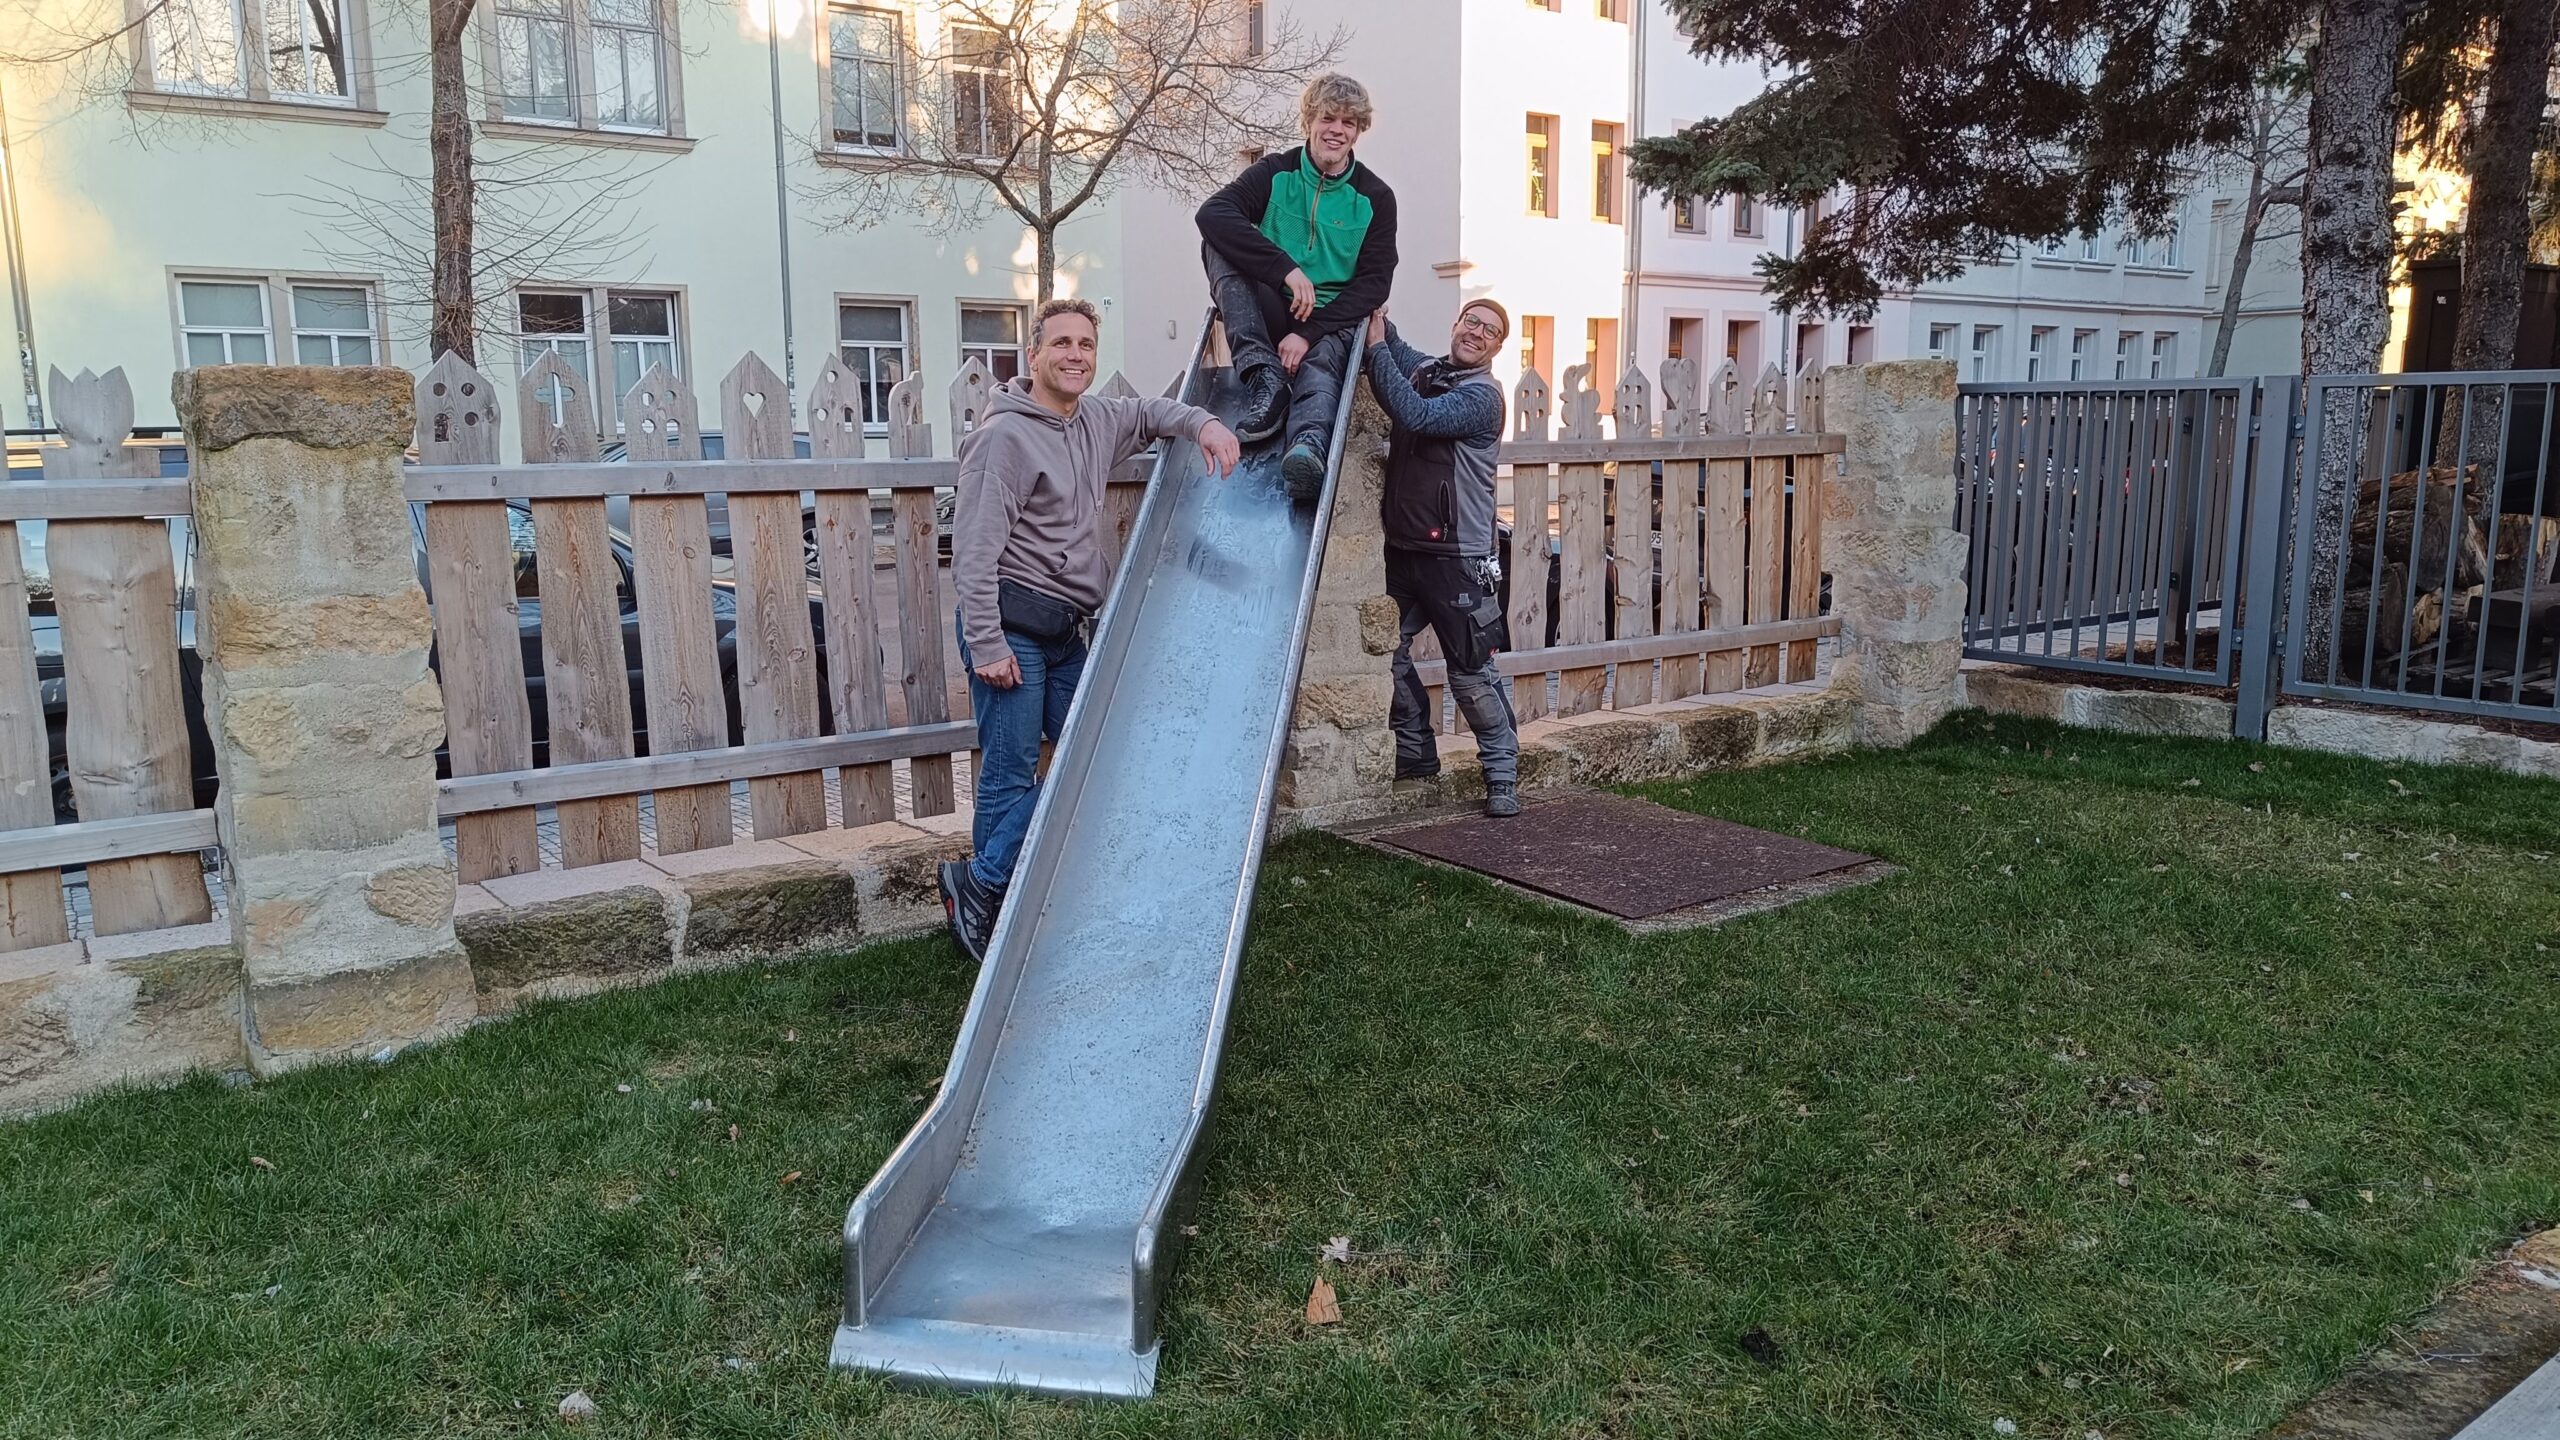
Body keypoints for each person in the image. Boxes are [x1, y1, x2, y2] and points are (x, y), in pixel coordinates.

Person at [940, 297, 1242, 961]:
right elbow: (974, 549)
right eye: (1062, 344)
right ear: (1035, 355)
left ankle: (982, 886)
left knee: (1104, 750)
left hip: (1061, 628)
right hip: (1010, 624)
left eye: (1085, 345)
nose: (1075, 355)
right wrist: (987, 643)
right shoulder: (1005, 437)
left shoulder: (1094, 418)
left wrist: (1206, 426)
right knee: (1011, 772)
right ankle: (990, 895)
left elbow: (1152, 413)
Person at [1195, 73, 1398, 500]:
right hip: (1271, 307)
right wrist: (1284, 268)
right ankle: (1264, 375)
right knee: (1218, 242)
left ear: (1359, 130)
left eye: (1348, 123)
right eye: (1328, 118)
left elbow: (1375, 284)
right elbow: (1211, 214)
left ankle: (1306, 449)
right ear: (1309, 120)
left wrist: (1306, 333)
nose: (1337, 131)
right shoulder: (1274, 173)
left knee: (1323, 362)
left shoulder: (1376, 198)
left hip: (1330, 319)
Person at [1364, 299, 1523, 818]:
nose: (1477, 332)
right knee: (1385, 653)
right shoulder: (1432, 371)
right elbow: (1398, 347)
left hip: (1459, 558)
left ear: (1497, 348)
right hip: (1405, 550)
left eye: (1490, 331)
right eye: (1471, 321)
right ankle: (1414, 754)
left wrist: (1374, 345)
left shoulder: (1482, 397)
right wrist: (1372, 313)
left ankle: (1501, 776)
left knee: (1471, 674)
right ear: (1455, 324)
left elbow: (1416, 414)